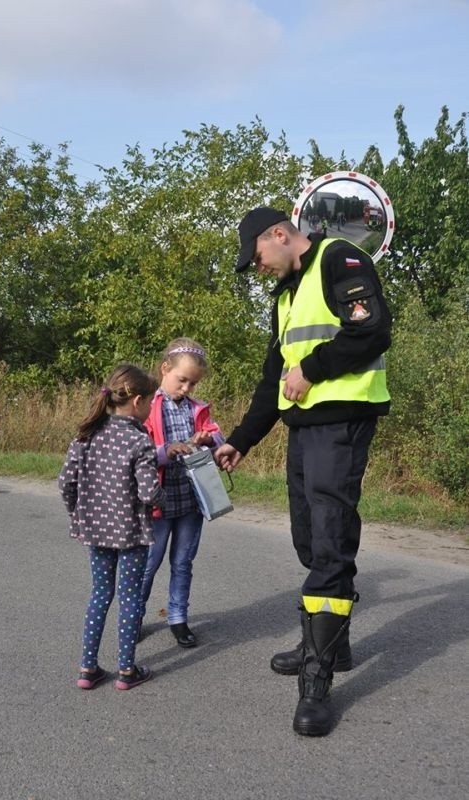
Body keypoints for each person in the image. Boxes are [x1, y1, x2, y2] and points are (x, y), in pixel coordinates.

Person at [215, 207, 391, 736]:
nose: (260, 267)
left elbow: (372, 331)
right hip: (304, 429)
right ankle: (328, 641)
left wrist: (312, 369)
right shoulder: (286, 295)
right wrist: (240, 441)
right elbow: (275, 379)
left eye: (259, 257)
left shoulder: (341, 257)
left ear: (279, 234)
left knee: (331, 544)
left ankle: (317, 680)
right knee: (309, 540)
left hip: (342, 422)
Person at [59, 364, 166, 691]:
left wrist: (79, 514)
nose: (150, 407)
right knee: (130, 598)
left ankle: (88, 668)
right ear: (136, 401)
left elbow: (66, 483)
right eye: (149, 401)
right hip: (131, 532)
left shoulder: (86, 434)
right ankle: (126, 670)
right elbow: (149, 493)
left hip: (96, 530)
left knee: (100, 594)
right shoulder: (139, 441)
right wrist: (165, 498)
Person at [139, 337, 225, 648]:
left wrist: (208, 440)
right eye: (182, 380)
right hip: (157, 501)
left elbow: (218, 438)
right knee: (148, 563)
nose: (187, 388)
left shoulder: (198, 409)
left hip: (191, 499)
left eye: (193, 383)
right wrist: (165, 451)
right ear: (165, 369)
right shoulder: (147, 407)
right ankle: (134, 617)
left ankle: (178, 617)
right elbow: (137, 451)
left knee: (183, 561)